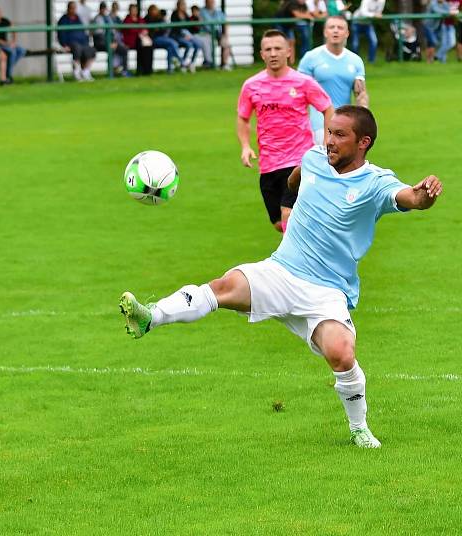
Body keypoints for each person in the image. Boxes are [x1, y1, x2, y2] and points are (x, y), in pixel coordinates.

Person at [120, 104, 444, 450]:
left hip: (327, 290)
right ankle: (150, 316)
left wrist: (425, 192)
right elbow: (298, 176)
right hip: (282, 270)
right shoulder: (316, 158)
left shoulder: (375, 182)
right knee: (224, 286)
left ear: (363, 142)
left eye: (339, 135)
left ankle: (359, 427)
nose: (329, 140)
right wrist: (289, 200)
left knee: (342, 353)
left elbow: (411, 198)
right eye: (328, 132)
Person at [237, 29, 333, 233]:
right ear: (261, 54)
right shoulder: (251, 85)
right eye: (268, 49)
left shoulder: (303, 82)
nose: (273, 53)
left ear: (288, 51)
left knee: (288, 214)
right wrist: (245, 146)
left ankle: (292, 264)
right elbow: (243, 118)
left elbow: (327, 108)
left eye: (278, 48)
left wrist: (327, 141)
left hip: (299, 162)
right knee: (280, 224)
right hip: (268, 165)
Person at [299, 16, 367, 145]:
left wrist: (364, 119)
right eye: (332, 27)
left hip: (345, 124)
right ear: (325, 32)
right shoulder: (310, 58)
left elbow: (361, 94)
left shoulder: (355, 60)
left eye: (340, 28)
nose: (335, 31)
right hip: (318, 124)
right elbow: (299, 94)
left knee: (344, 164)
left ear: (347, 33)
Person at [58, 0, 97, 81]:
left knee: (91, 50)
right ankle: (76, 72)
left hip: (82, 42)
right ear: (68, 9)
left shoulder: (78, 18)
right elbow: (61, 34)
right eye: (72, 8)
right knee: (77, 48)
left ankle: (85, 72)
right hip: (70, 43)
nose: (73, 10)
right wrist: (64, 45)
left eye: (75, 8)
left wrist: (86, 42)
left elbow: (83, 31)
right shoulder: (63, 20)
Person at [145, 4, 188, 73]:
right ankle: (182, 62)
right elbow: (153, 31)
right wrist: (158, 29)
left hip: (163, 38)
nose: (154, 12)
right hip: (154, 39)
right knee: (173, 43)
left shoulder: (160, 18)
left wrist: (159, 29)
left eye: (155, 10)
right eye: (153, 10)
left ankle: (170, 69)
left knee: (170, 48)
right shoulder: (147, 19)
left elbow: (164, 29)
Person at [0, 7, 25, 84]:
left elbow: (13, 29)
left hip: (7, 44)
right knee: (12, 53)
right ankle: (8, 76)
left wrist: (14, 42)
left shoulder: (5, 21)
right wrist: (5, 43)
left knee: (21, 51)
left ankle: (7, 70)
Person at [93, 1, 129, 75]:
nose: (103, 10)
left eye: (104, 8)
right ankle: (111, 72)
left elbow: (113, 32)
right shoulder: (97, 19)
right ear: (99, 9)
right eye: (102, 8)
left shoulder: (108, 18)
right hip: (100, 43)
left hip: (111, 42)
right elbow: (99, 35)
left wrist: (114, 42)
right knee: (111, 49)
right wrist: (109, 43)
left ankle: (124, 71)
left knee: (124, 49)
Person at [169, 0, 201, 72]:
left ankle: (192, 63)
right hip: (177, 36)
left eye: (184, 5)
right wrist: (183, 35)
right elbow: (175, 28)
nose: (184, 6)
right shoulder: (174, 14)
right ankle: (183, 63)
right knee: (188, 45)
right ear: (178, 6)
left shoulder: (186, 15)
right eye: (182, 5)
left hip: (187, 35)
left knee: (198, 44)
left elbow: (191, 28)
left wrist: (197, 18)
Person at [201, 0, 232, 70]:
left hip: (218, 33)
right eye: (210, 1)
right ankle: (209, 63)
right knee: (208, 42)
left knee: (226, 44)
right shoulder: (202, 12)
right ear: (206, 2)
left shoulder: (218, 12)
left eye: (212, 1)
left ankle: (224, 64)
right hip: (207, 33)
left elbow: (226, 23)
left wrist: (226, 35)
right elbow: (203, 24)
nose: (211, 3)